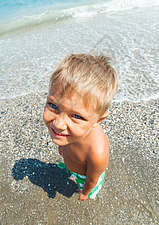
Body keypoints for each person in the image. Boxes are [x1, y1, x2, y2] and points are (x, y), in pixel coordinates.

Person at [43, 53, 118, 201]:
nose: (58, 124)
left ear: (98, 120)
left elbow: (92, 179)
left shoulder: (97, 153)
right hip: (73, 164)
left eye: (76, 116)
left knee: (89, 187)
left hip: (85, 178)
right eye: (53, 105)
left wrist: (85, 192)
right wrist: (62, 147)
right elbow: (68, 141)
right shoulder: (71, 132)